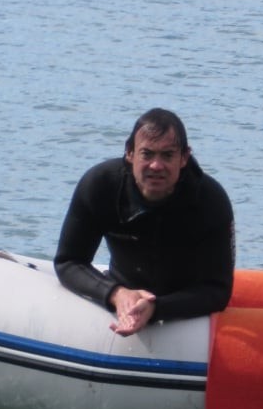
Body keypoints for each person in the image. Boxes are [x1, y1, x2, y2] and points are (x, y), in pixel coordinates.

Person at [55, 108, 234, 334]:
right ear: (129, 153)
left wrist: (157, 308)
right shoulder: (101, 185)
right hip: (121, 289)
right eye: (147, 154)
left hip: (185, 311)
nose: (156, 166)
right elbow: (68, 262)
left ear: (184, 158)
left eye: (167, 155)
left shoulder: (210, 200)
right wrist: (116, 294)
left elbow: (218, 291)